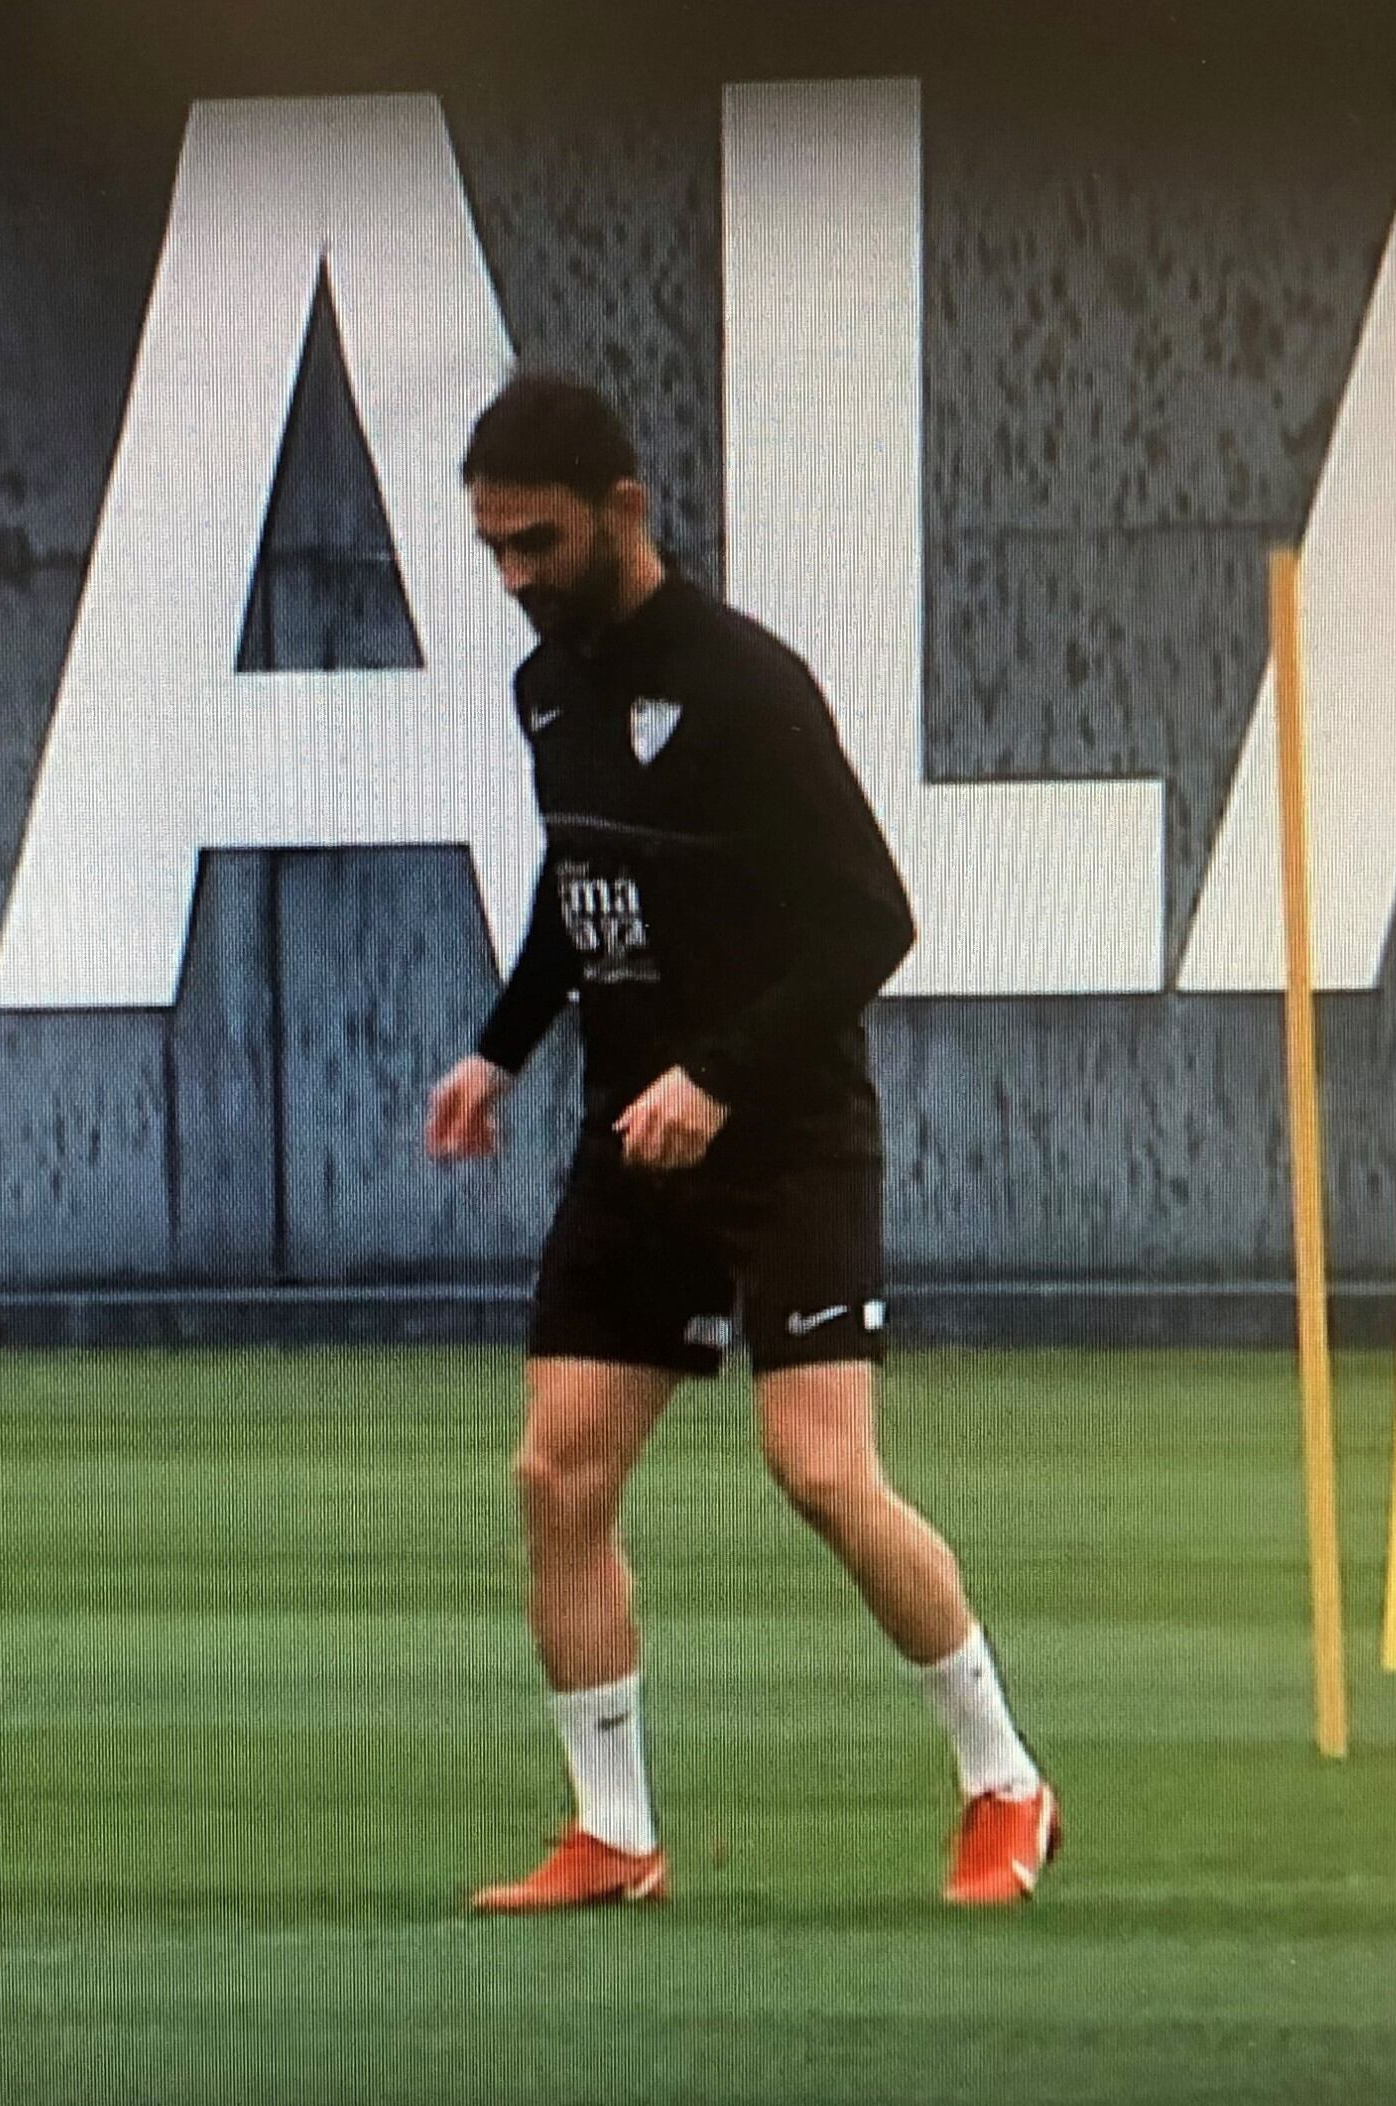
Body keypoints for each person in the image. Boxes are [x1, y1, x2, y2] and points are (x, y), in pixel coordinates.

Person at [426, 373, 1059, 1912]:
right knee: (554, 1477)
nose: (514, 577)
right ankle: (614, 1835)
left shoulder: (747, 688)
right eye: (492, 547)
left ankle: (1004, 1785)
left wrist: (712, 1075)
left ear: (623, 513)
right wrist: (497, 1051)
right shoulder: (548, 690)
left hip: (781, 1140)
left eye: (538, 542)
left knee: (820, 1473)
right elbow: (583, 888)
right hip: (626, 1145)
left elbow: (870, 921)